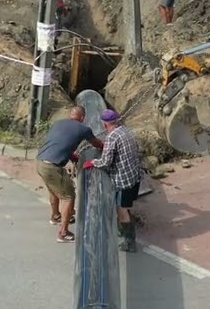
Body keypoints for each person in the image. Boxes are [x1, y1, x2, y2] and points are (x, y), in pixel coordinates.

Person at [37, 106, 105, 243]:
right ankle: (63, 232)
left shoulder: (58, 123)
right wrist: (107, 147)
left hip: (39, 161)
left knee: (54, 189)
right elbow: (97, 144)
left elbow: (59, 142)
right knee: (68, 196)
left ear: (70, 115)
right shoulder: (84, 129)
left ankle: (55, 216)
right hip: (52, 166)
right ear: (82, 117)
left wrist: (71, 156)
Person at [82, 108, 144, 253]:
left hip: (123, 181)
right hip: (134, 176)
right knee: (127, 206)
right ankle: (125, 226)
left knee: (121, 209)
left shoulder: (112, 137)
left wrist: (92, 163)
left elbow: (106, 161)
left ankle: (129, 241)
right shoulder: (126, 131)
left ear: (104, 124)